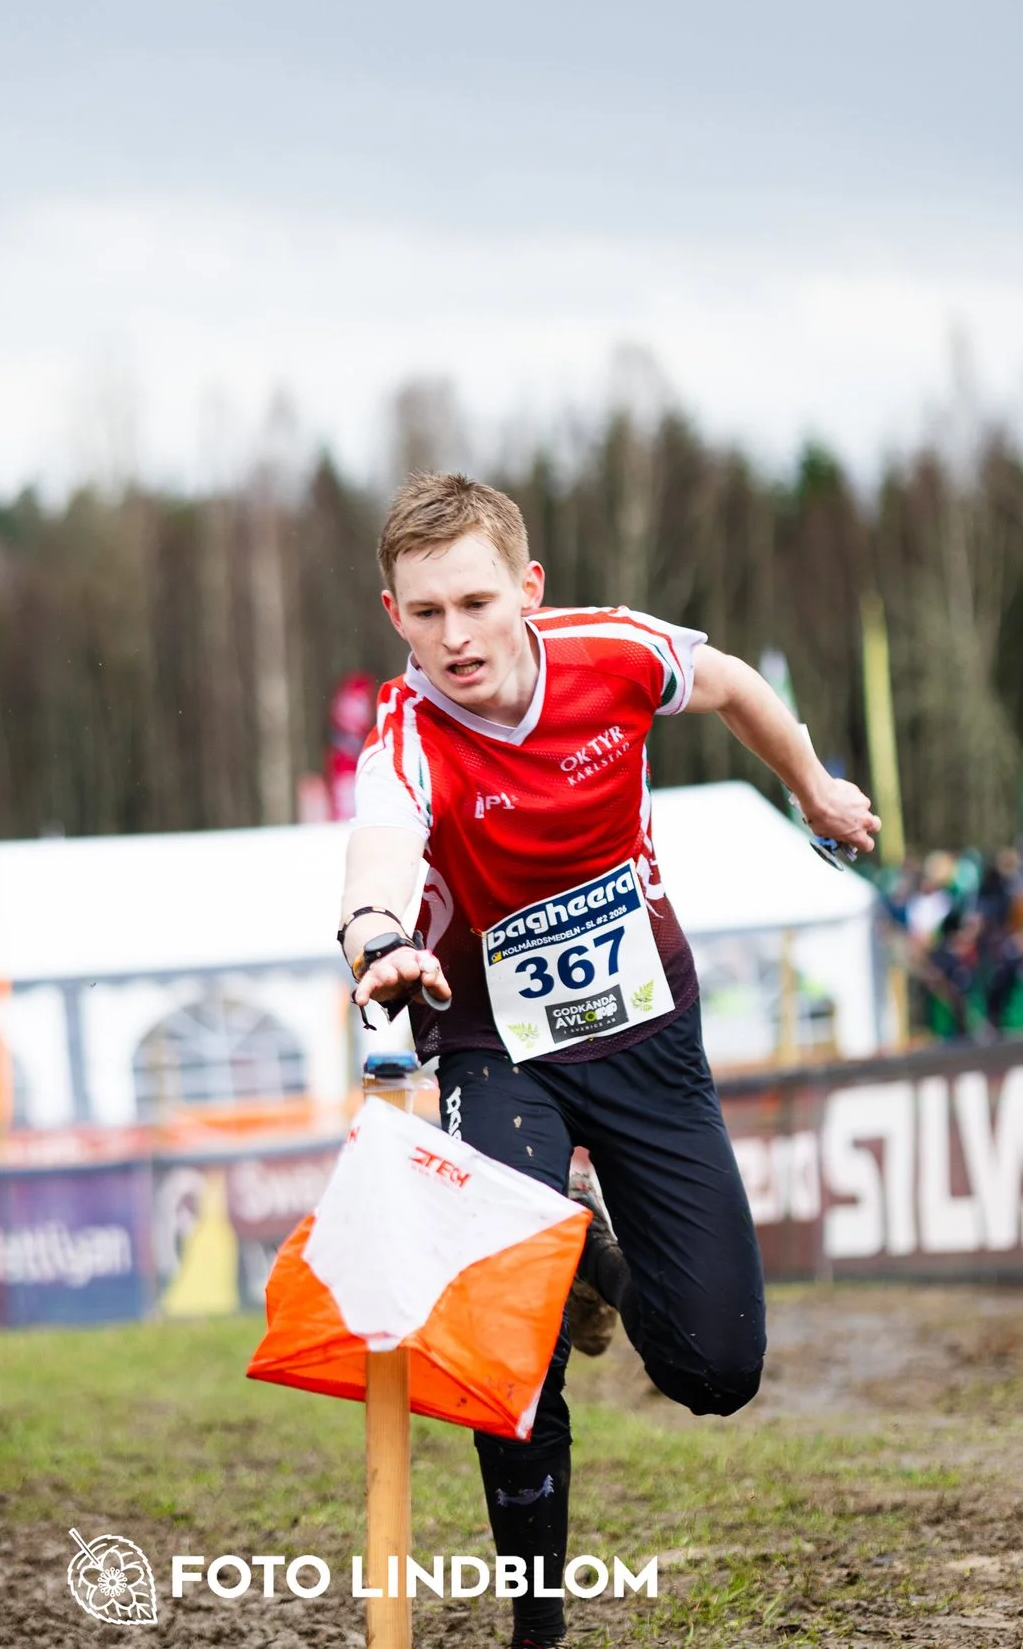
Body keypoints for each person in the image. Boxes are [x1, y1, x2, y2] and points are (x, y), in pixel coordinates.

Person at [339, 474, 879, 1648]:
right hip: (491, 1038)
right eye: (424, 613)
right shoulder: (404, 734)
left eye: (475, 602)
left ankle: (580, 1239)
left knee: (715, 1368)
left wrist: (816, 789)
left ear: (527, 590)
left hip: (644, 1026)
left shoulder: (614, 653)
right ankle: (538, 1619)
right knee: (510, 1320)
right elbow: (377, 860)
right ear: (394, 615)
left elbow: (732, 681)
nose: (455, 637)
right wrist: (376, 939)